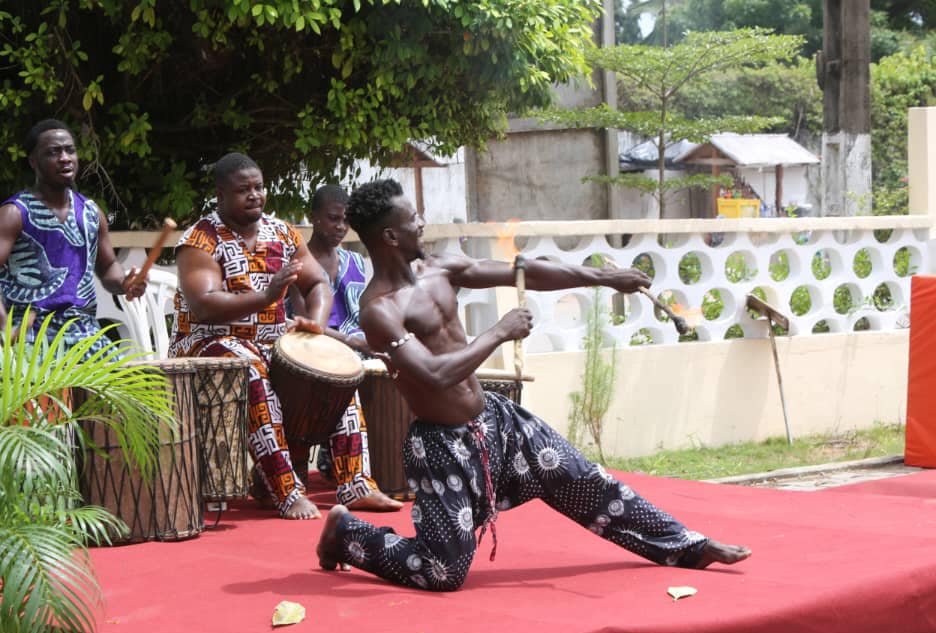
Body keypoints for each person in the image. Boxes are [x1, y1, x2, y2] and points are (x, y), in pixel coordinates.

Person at [316, 178, 751, 590]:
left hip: (497, 423)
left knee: (587, 480)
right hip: (442, 448)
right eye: (413, 220)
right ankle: (346, 533)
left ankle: (686, 547)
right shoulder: (379, 310)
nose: (422, 224)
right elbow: (432, 374)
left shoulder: (441, 268)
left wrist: (603, 278)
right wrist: (499, 332)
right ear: (391, 237)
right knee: (442, 571)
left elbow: (522, 272)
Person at [169, 153, 403, 520]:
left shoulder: (281, 232)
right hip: (209, 343)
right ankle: (285, 488)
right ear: (220, 195)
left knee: (338, 369)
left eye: (259, 187)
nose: (255, 196)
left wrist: (315, 324)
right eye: (243, 190)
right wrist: (266, 296)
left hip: (271, 341)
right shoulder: (199, 239)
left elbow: (317, 284)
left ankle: (357, 483)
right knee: (251, 370)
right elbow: (205, 305)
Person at [0, 119, 145, 358]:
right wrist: (4, 327)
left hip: (84, 330)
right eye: (54, 152)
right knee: (47, 395)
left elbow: (107, 268)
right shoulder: (13, 214)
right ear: (33, 161)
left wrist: (125, 282)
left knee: (129, 387)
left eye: (70, 150)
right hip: (32, 333)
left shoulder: (91, 213)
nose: (65, 158)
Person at [288, 184, 371, 356]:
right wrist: (353, 342)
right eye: (333, 218)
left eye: (346, 220)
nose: (341, 226)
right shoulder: (298, 264)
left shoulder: (355, 261)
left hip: (361, 352)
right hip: (315, 351)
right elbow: (306, 325)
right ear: (312, 218)